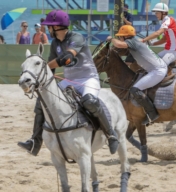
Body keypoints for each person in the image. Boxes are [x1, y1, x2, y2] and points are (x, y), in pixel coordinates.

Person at [17, 10, 119, 156]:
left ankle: (111, 134)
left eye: (49, 26)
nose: (48, 29)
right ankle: (35, 142)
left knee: (89, 101)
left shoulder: (76, 37)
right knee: (41, 102)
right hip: (69, 80)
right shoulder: (55, 44)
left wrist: (45, 66)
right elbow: (51, 69)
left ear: (57, 27)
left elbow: (67, 58)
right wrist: (41, 84)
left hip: (87, 78)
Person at [108, 25, 167, 125]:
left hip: (157, 71)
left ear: (125, 37)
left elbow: (119, 45)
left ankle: (152, 114)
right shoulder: (135, 40)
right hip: (155, 69)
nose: (119, 38)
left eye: (120, 36)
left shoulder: (132, 41)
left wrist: (111, 39)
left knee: (135, 89)